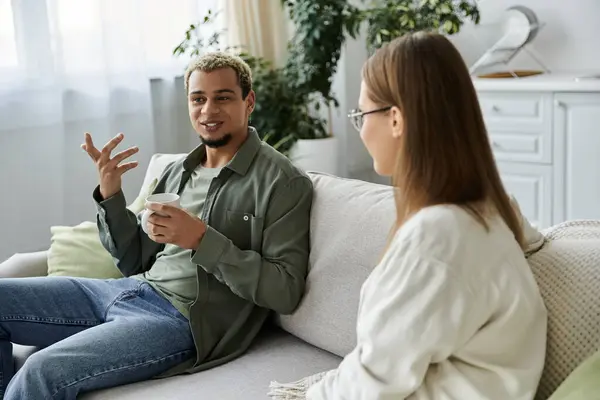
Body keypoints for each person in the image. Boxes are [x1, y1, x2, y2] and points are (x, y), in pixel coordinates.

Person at [0, 52, 313, 399]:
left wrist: (201, 239)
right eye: (199, 99)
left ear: (248, 101)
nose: (208, 111)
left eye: (223, 97)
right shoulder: (177, 171)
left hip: (180, 321)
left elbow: (284, 291)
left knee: (42, 370)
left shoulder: (283, 182)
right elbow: (134, 259)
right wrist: (111, 195)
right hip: (130, 289)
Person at [306, 32, 547, 399]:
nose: (362, 130)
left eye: (361, 114)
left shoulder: (438, 237)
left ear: (397, 120)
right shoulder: (485, 209)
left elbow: (372, 383)